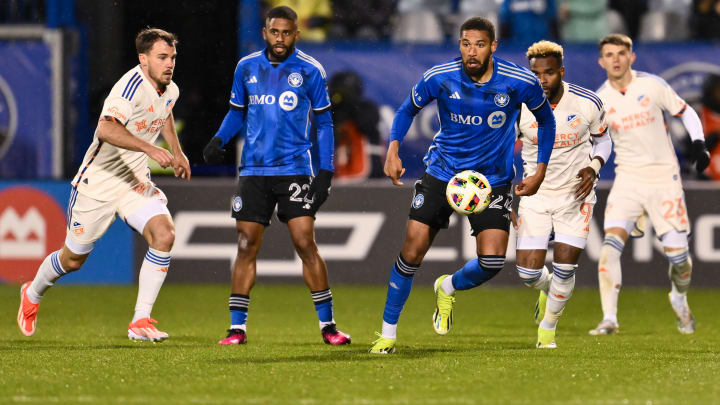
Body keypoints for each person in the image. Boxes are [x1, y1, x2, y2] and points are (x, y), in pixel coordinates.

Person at [369, 17, 556, 355]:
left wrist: (540, 169)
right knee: (411, 251)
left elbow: (546, 120)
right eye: (466, 44)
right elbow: (405, 110)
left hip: (492, 181)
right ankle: (387, 334)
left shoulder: (518, 81)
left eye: (480, 45)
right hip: (443, 174)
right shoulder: (439, 76)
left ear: (493, 47)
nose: (472, 51)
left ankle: (448, 286)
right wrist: (393, 148)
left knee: (493, 262)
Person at [17, 28, 190, 342]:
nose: (169, 64)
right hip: (98, 184)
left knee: (164, 234)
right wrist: (151, 149)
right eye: (162, 57)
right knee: (73, 259)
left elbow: (163, 111)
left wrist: (177, 152)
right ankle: (32, 292)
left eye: (173, 57)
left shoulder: (170, 89)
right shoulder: (129, 88)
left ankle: (140, 320)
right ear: (143, 59)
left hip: (133, 180)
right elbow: (106, 129)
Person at [202, 6, 350, 346]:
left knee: (304, 242)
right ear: (266, 33)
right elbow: (236, 113)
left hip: (295, 169)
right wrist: (219, 139)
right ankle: (237, 329)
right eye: (274, 32)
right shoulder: (246, 67)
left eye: (286, 33)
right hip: (254, 171)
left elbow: (325, 122)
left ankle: (328, 326)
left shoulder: (310, 70)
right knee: (245, 245)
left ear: (296, 35)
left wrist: (325, 171)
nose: (280, 38)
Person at [591, 34, 710, 336]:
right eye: (609, 54)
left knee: (680, 260)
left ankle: (679, 296)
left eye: (621, 53)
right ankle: (609, 319)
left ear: (632, 57)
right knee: (609, 248)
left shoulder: (652, 85)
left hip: (663, 179)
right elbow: (595, 143)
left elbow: (687, 112)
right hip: (627, 179)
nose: (615, 59)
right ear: (601, 61)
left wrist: (698, 143)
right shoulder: (599, 101)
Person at [515, 40, 611, 348]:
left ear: (562, 72)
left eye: (549, 73)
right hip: (536, 194)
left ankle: (547, 330)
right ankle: (548, 289)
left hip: (575, 195)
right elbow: (503, 148)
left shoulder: (587, 102)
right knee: (528, 273)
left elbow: (604, 142)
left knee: (565, 266)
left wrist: (594, 167)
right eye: (536, 74)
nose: (542, 80)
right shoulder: (519, 108)